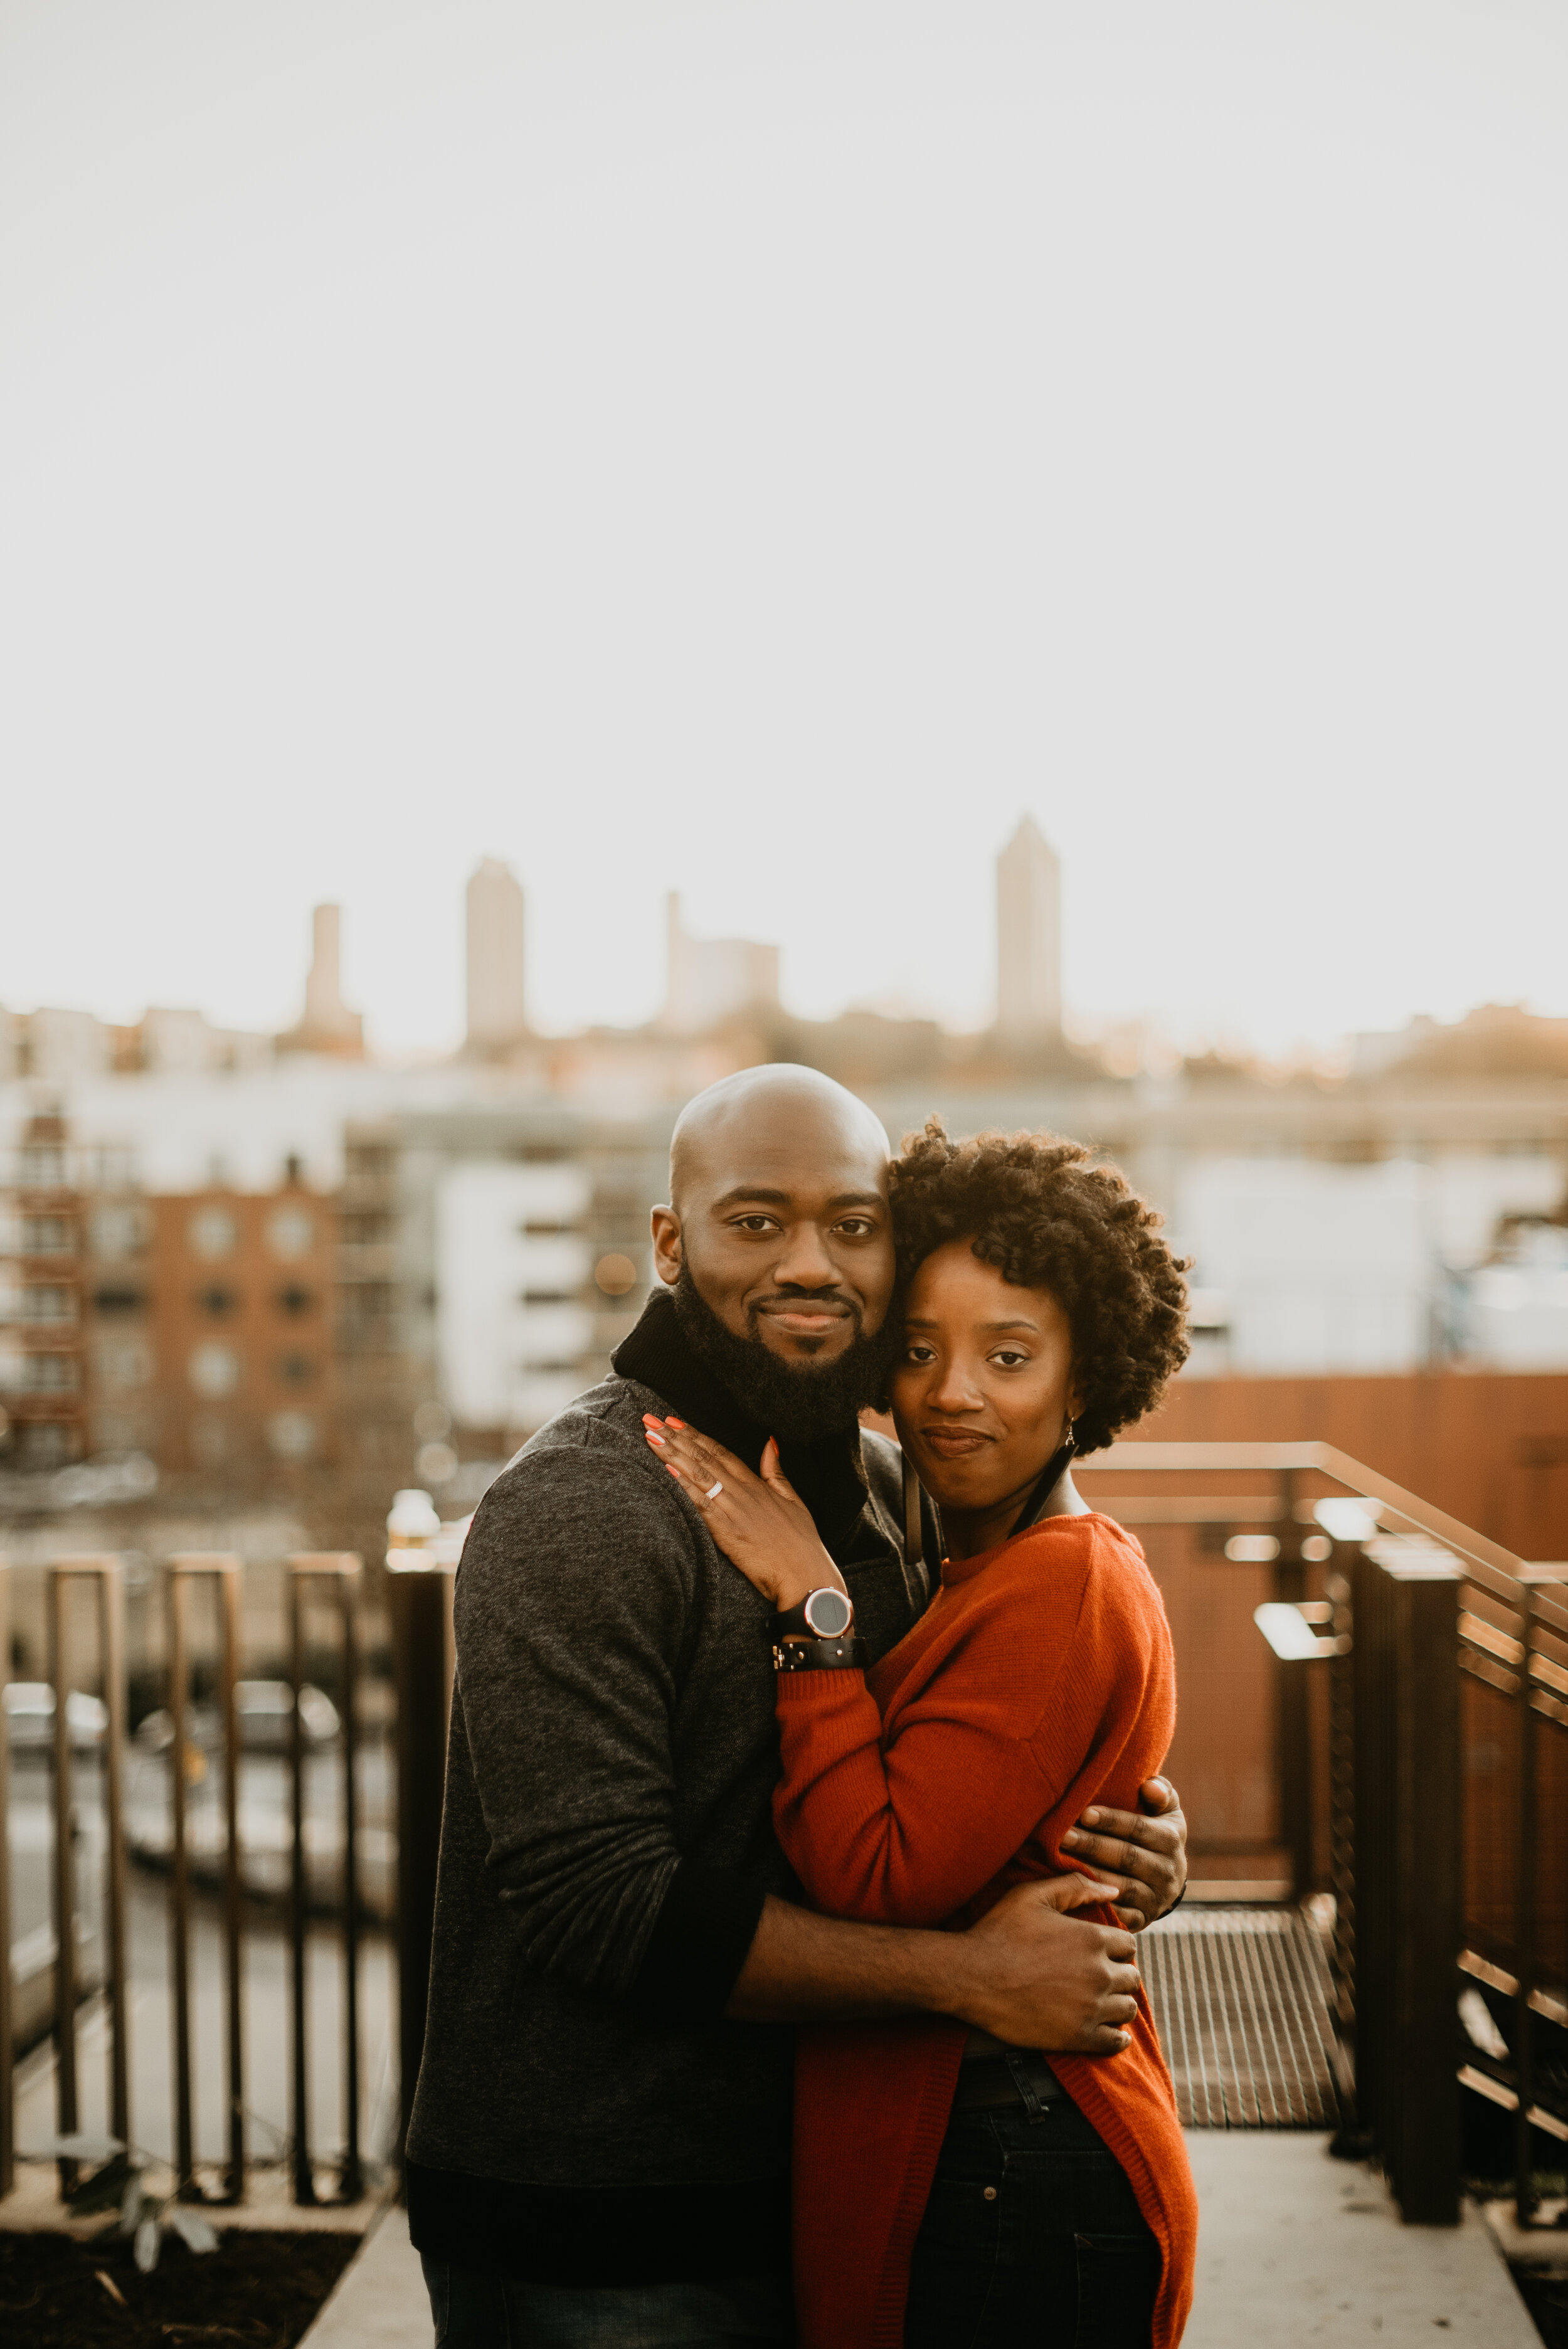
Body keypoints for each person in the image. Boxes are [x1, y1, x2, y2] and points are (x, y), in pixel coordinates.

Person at [407, 1068, 1190, 2347]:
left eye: (853, 1222)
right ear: (669, 1241)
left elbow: (970, 1748)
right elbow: (595, 1901)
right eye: (756, 1220)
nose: (810, 1263)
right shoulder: (581, 1503)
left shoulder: (890, 1484)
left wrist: (1128, 1836)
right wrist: (968, 1978)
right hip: (599, 2228)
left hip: (815, 2196)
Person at [646, 1118, 1197, 2347]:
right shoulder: (965, 1554)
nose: (951, 1395)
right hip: (983, 2142)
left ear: (1085, 1377)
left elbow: (877, 1876)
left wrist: (809, 1613)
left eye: (1007, 1354)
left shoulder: (1060, 1582)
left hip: (1008, 2156)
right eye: (917, 1350)